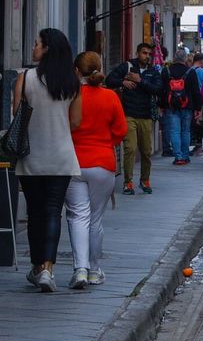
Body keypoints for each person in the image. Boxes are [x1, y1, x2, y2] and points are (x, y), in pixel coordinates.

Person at [13, 29, 83, 293]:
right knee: (53, 210)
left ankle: (36, 266)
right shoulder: (72, 83)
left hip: (32, 155)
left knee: (35, 213)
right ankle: (48, 269)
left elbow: (17, 114)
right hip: (61, 155)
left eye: (37, 44)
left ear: (47, 49)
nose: (33, 48)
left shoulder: (25, 78)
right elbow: (76, 121)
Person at [68, 52, 127, 287]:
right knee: (95, 219)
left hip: (74, 161)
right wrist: (105, 143)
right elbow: (121, 130)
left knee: (77, 216)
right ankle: (94, 269)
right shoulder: (110, 97)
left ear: (76, 71)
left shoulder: (71, 96)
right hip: (103, 163)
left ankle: (80, 269)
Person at [106, 43, 164, 195]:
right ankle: (128, 183)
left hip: (145, 115)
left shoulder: (153, 71)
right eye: (144, 53)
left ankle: (145, 180)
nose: (147, 56)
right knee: (130, 148)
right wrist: (122, 82)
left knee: (146, 151)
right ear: (138, 53)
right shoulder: (127, 66)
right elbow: (109, 79)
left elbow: (158, 89)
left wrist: (140, 81)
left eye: (149, 54)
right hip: (129, 114)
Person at [161, 46, 193, 166]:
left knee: (174, 131)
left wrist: (162, 105)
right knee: (185, 131)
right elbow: (195, 91)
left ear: (174, 58)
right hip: (187, 105)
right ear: (185, 59)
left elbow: (162, 90)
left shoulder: (166, 71)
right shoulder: (190, 72)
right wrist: (197, 108)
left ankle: (178, 157)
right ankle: (185, 156)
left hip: (171, 106)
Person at [186, 51, 203, 157]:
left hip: (189, 101)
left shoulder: (188, 71)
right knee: (200, 123)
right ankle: (200, 146)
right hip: (201, 101)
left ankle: (195, 145)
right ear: (200, 61)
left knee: (192, 125)